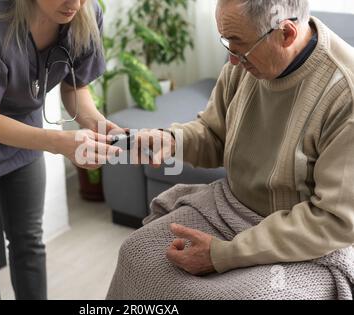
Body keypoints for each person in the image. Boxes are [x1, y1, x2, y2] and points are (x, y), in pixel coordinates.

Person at [108, 0, 354, 299]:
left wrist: (224, 255)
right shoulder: (246, 64)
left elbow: (333, 220)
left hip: (306, 237)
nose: (232, 60)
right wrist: (171, 141)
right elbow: (213, 134)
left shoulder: (345, 93)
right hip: (231, 208)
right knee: (135, 253)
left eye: (240, 46)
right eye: (227, 43)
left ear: (286, 34)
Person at [0, 0, 121, 300]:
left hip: (23, 126)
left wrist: (102, 126)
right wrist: (58, 142)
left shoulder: (86, 13)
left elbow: (74, 87)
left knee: (29, 241)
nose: (75, 5)